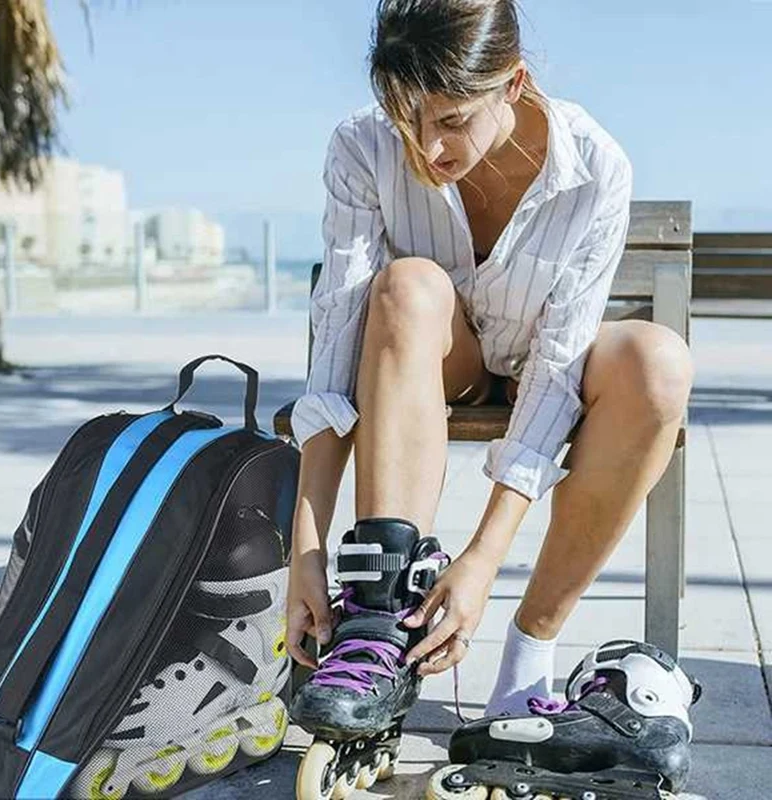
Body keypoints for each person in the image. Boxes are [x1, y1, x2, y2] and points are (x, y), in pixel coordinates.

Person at [284, 0, 693, 719]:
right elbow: (337, 344)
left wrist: (480, 561)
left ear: (513, 83)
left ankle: (529, 655)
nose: (425, 149)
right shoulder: (360, 147)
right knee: (408, 285)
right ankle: (377, 623)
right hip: (436, 356)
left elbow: (560, 366)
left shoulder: (595, 166)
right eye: (406, 116)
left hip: (550, 359)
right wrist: (307, 550)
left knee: (659, 364)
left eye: (450, 121)